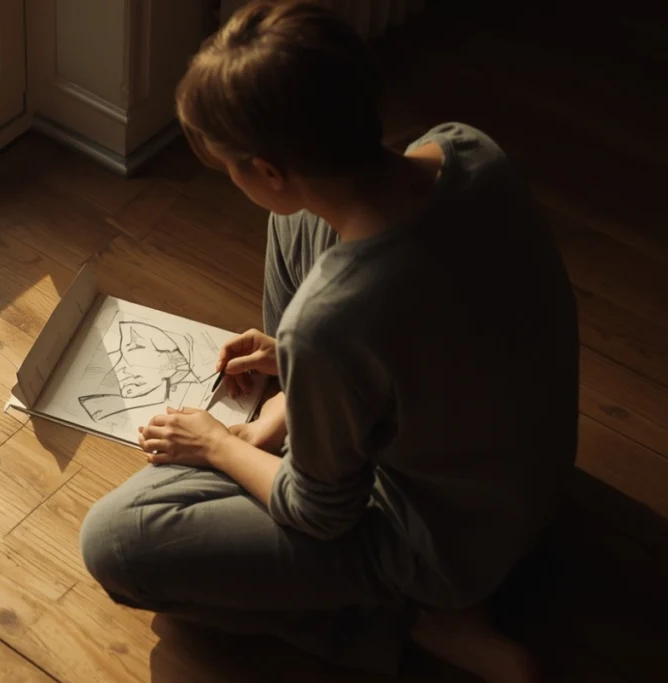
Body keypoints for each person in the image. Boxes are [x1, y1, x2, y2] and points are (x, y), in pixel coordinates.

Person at [78, 1, 579, 681]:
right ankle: (309, 418)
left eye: (231, 165)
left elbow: (318, 514)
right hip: (527, 473)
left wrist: (220, 443)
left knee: (116, 542)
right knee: (299, 228)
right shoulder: (465, 146)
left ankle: (417, 619)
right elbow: (438, 315)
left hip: (447, 543)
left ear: (269, 171)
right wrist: (295, 373)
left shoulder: (331, 322)